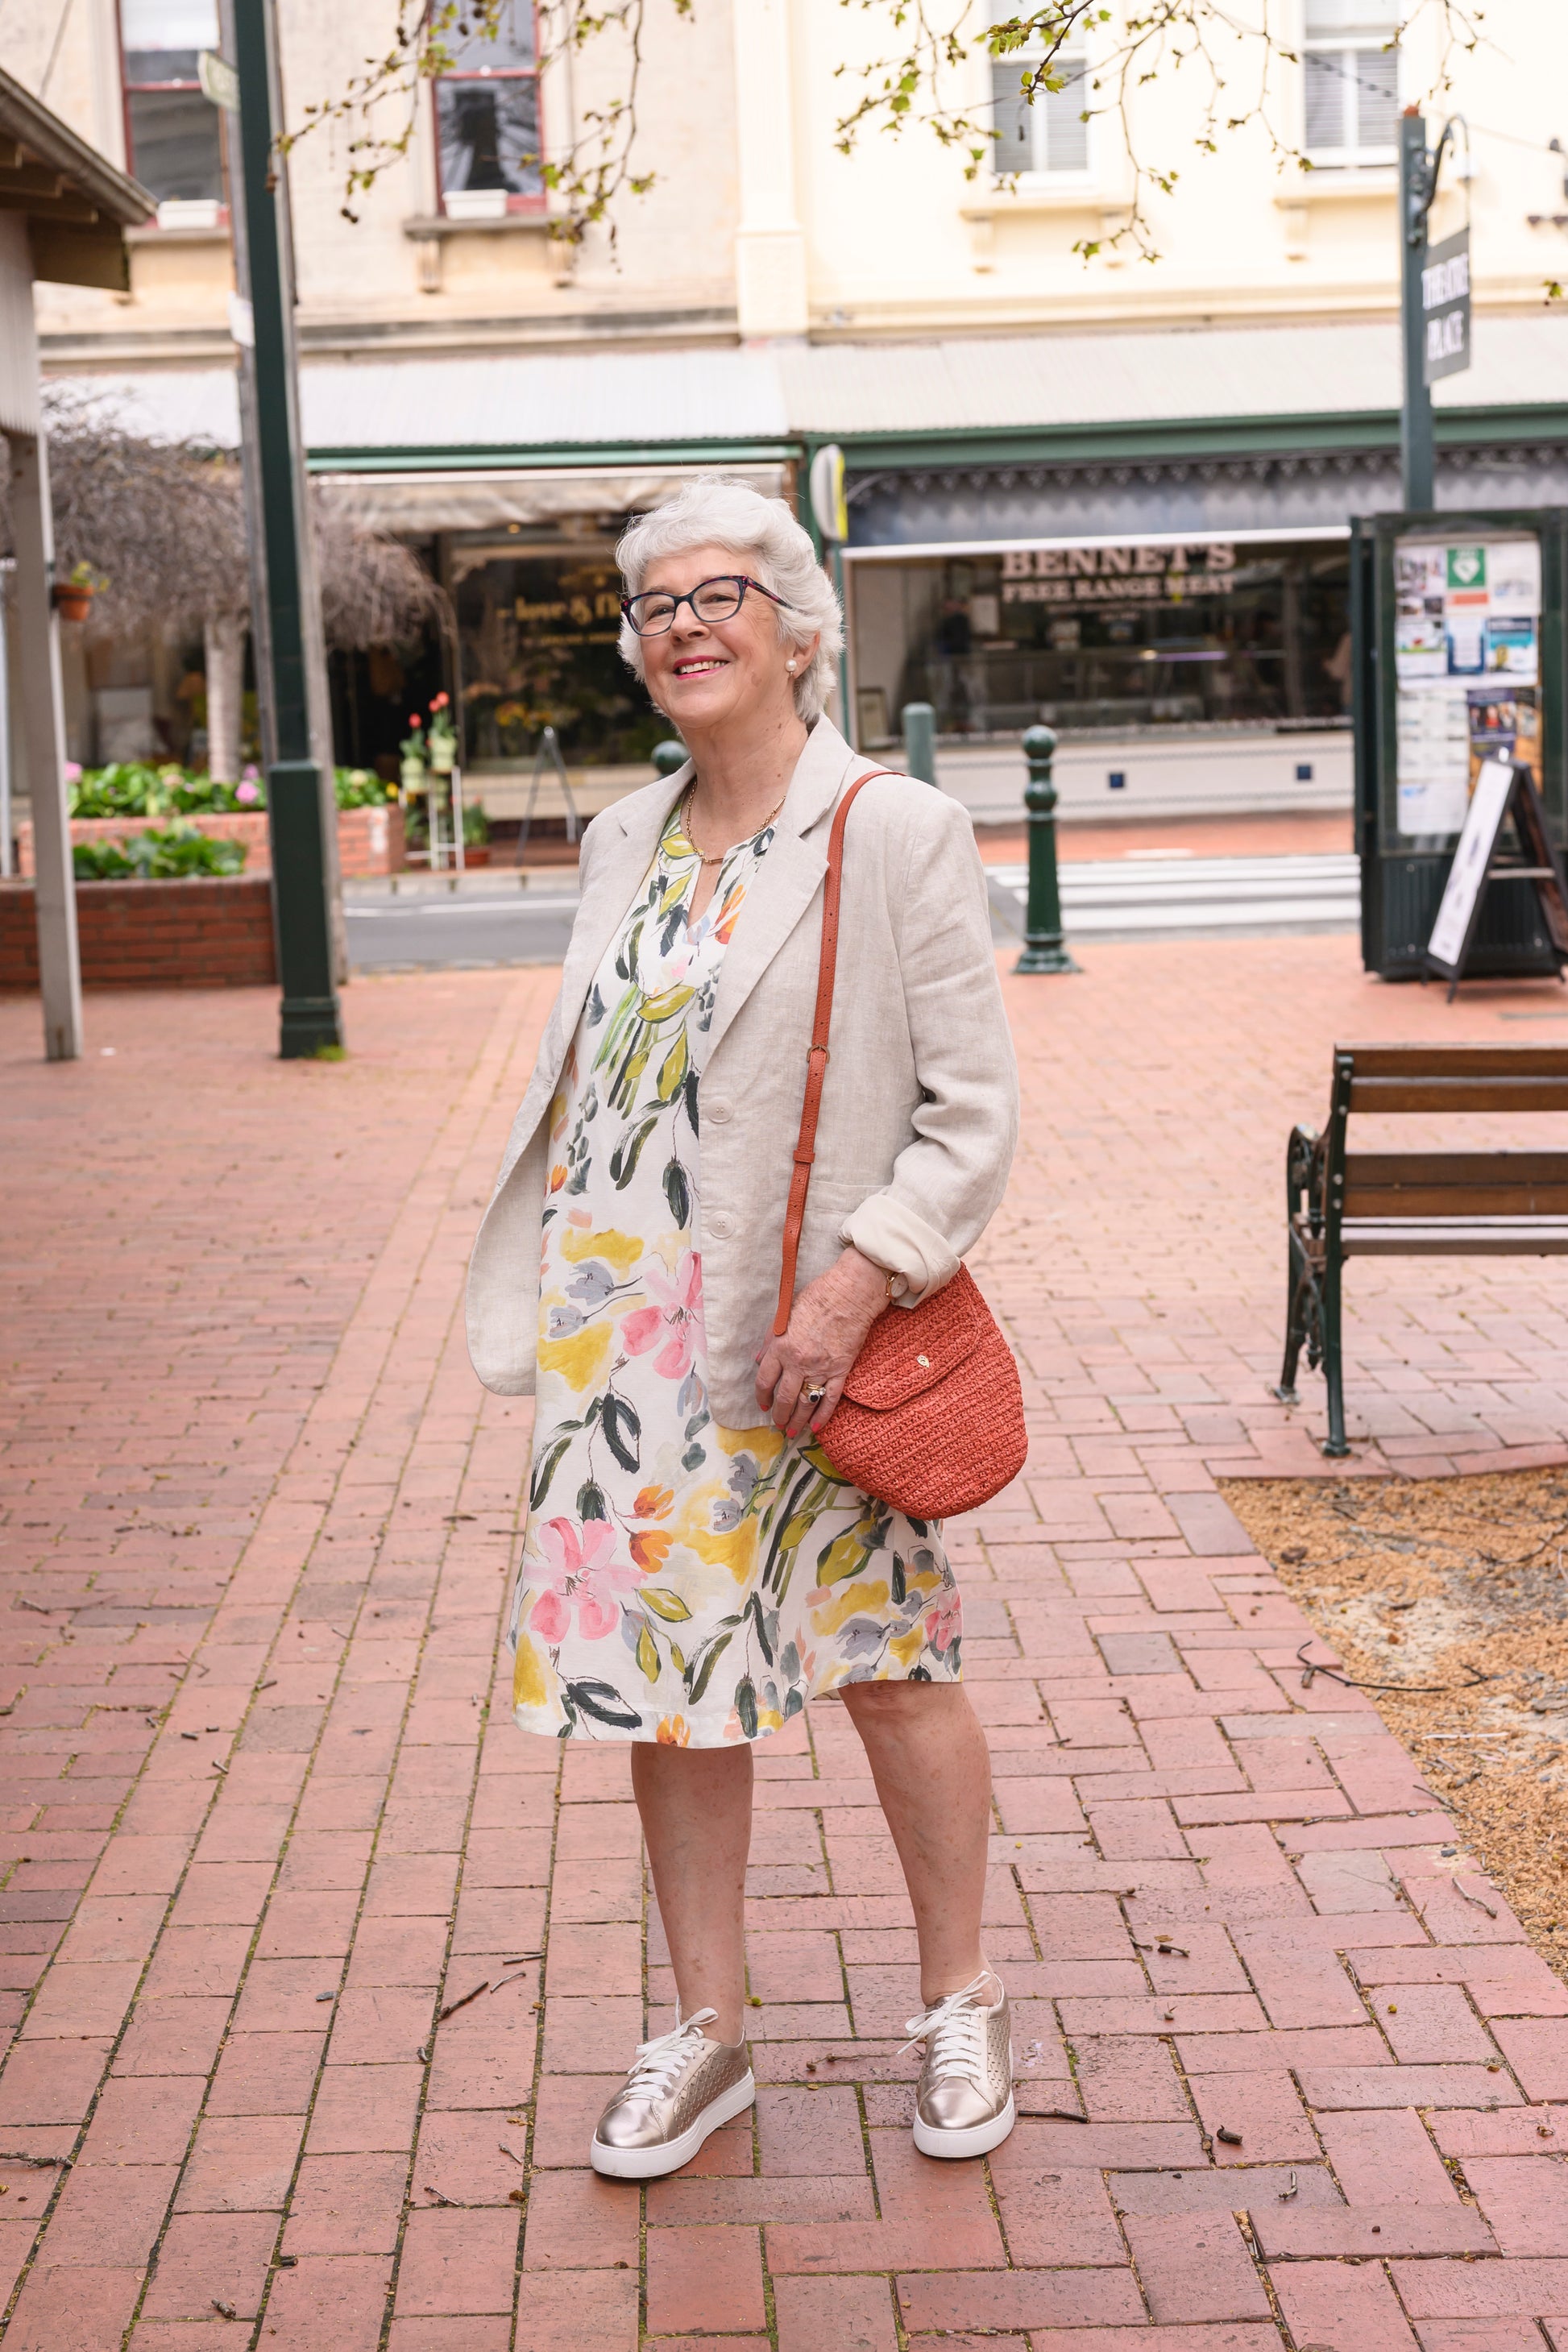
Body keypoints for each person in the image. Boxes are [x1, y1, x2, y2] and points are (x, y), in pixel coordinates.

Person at [467, 477, 1019, 2180]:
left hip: (807, 1336)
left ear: (797, 628)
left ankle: (958, 1998)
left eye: (718, 595)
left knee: (890, 1667)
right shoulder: (619, 839)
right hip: (624, 1349)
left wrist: (852, 1287)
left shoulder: (891, 829)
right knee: (663, 1686)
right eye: (652, 605)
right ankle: (707, 2029)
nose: (683, 625)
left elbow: (969, 1114)